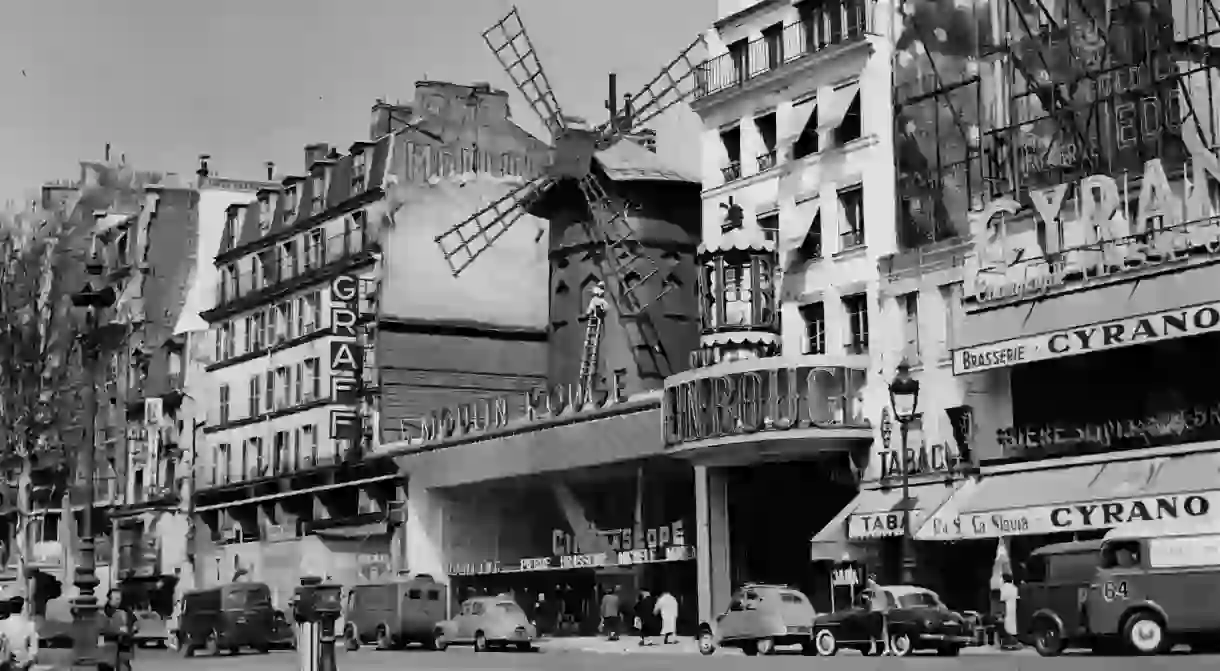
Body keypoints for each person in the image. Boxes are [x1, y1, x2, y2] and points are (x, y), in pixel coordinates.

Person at [102, 589, 135, 671]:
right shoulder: (104, 612)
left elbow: (133, 624)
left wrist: (130, 629)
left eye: (119, 598)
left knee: (124, 665)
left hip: (125, 642)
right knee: (107, 665)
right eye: (116, 599)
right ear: (110, 599)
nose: (118, 601)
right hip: (109, 642)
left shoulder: (127, 611)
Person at [1, 596, 36, 671]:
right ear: (22, 608)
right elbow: (33, 650)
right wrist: (26, 663)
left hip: (4, 665)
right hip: (23, 663)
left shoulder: (1, 624)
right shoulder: (30, 625)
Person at [864, 574, 892, 656]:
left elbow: (869, 599)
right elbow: (883, 600)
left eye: (869, 579)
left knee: (873, 631)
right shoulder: (879, 588)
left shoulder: (873, 588)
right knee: (884, 631)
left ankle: (874, 648)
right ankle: (886, 648)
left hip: (876, 612)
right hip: (882, 612)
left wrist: (866, 598)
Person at [999, 574, 1020, 650]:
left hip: (1007, 608)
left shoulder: (1004, 588)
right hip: (1014, 608)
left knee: (1007, 625)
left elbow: (1002, 601)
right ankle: (1014, 641)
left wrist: (1001, 614)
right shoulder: (1015, 588)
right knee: (1013, 625)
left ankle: (1008, 642)